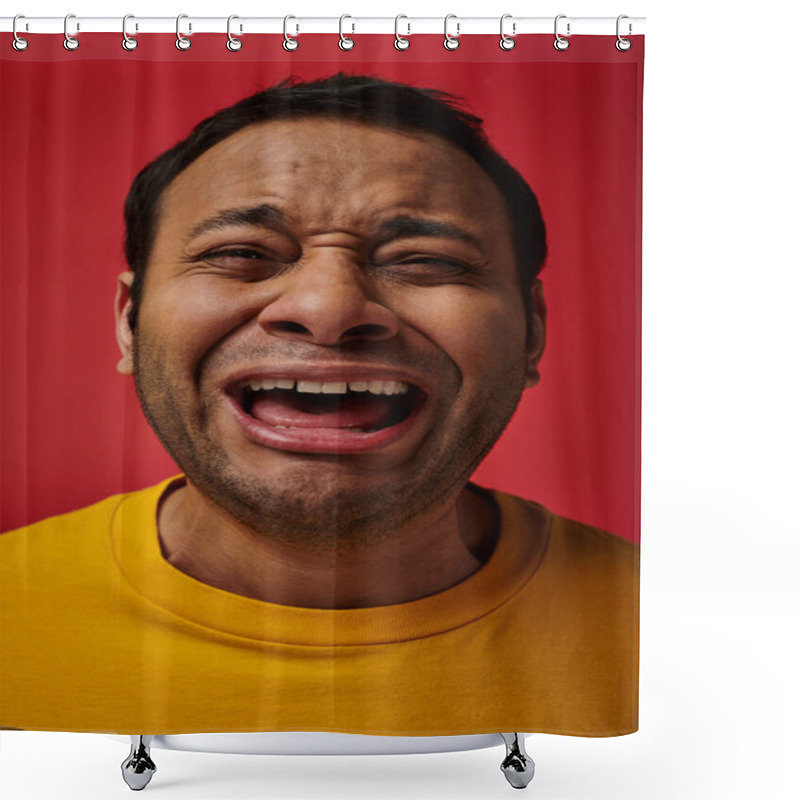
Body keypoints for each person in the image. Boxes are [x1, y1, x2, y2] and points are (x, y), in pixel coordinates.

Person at [0, 74, 638, 737]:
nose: (329, 309)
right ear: (130, 323)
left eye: (423, 261)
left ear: (532, 332)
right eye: (241, 254)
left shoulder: (668, 626)